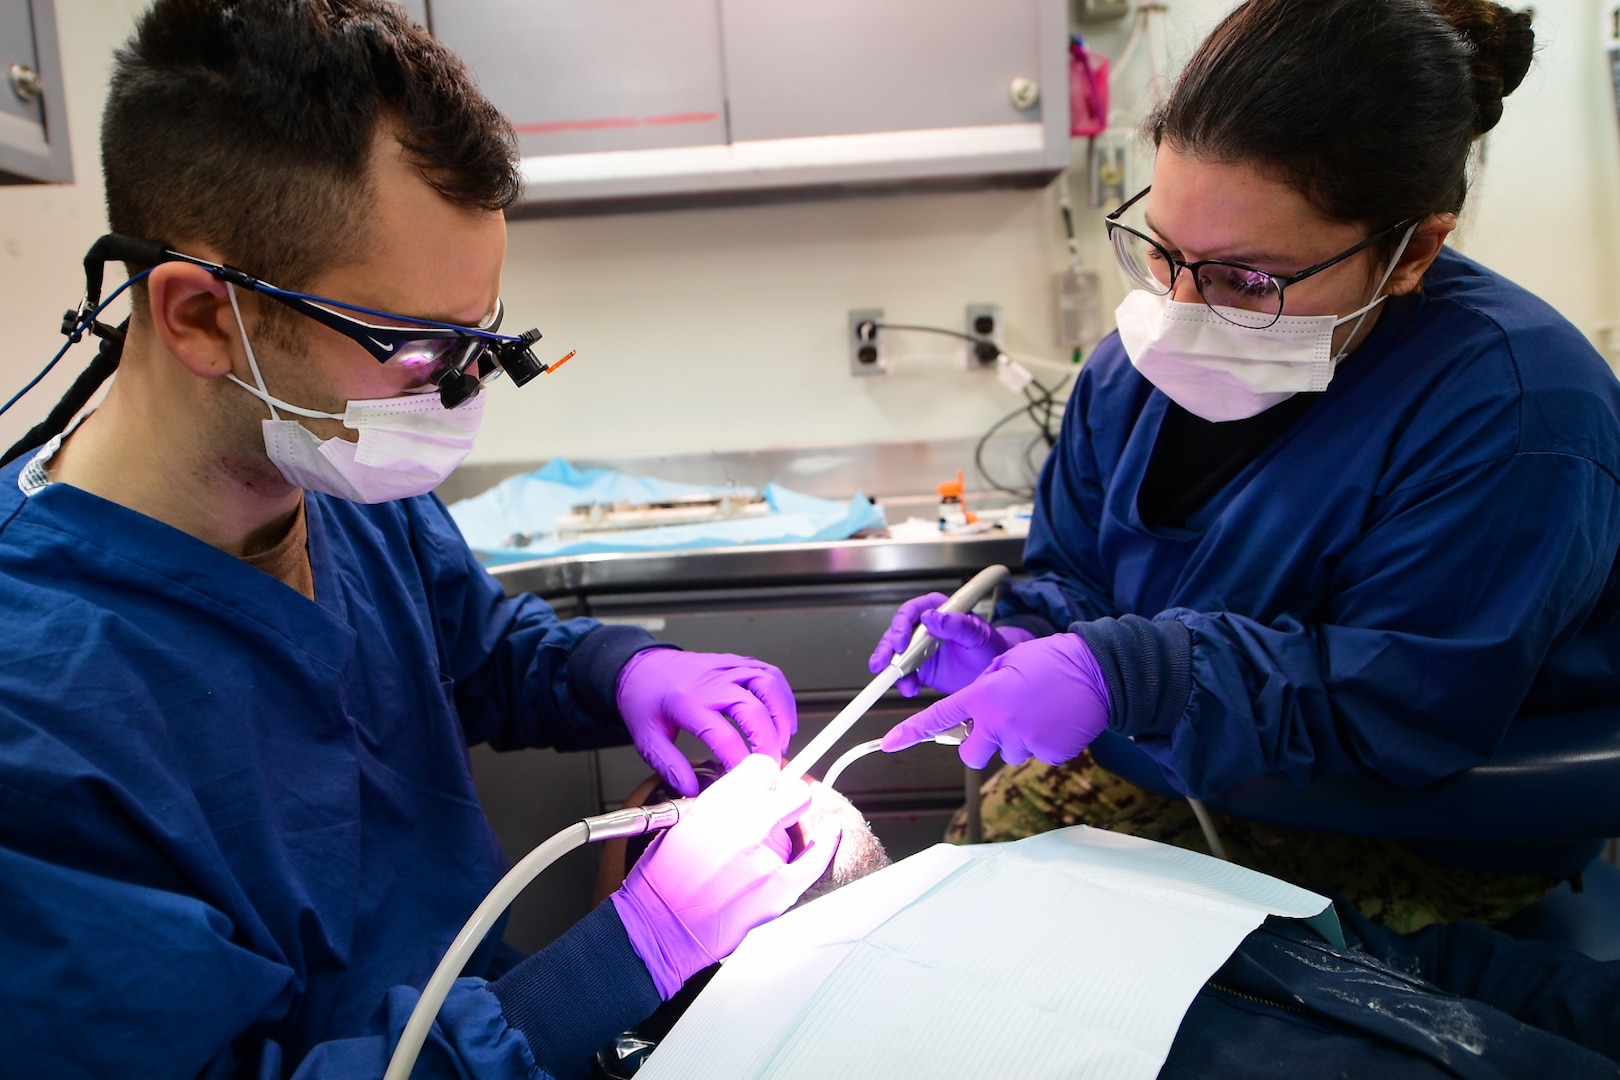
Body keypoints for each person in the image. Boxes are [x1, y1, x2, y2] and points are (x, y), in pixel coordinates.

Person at [0, 2, 838, 1077]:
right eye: (415, 347)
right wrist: (616, 961)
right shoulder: (36, 715)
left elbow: (474, 646)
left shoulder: (332, 464)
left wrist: (618, 668)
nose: (456, 393)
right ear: (203, 318)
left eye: (484, 342)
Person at [873, 0, 1620, 933]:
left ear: (1411, 251)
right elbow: (1081, 579)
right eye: (1165, 253)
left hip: (1404, 842)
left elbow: (1404, 703)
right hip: (1168, 779)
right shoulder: (1128, 376)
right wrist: (1021, 634)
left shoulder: (1516, 410)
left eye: (1247, 279)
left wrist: (1145, 672)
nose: (1180, 308)